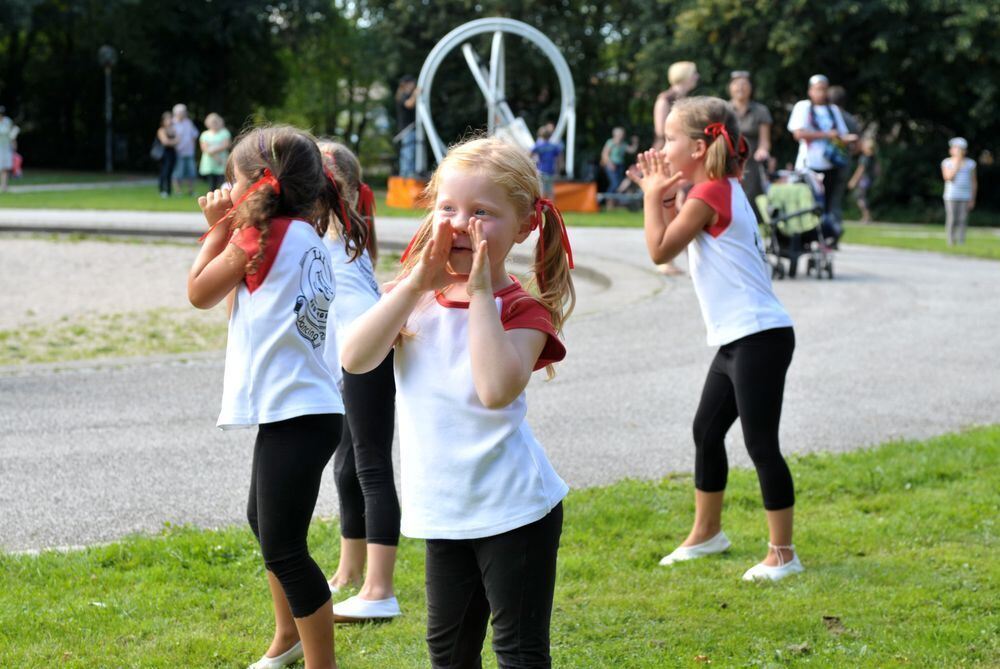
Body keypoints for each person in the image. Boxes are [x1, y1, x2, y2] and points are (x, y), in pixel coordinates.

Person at [340, 137, 575, 668]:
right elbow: (355, 359)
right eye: (448, 208)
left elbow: (494, 389)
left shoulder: (522, 311)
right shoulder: (416, 297)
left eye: (482, 213)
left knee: (518, 652)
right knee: (448, 654)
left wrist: (481, 295)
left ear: (523, 226)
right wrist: (415, 283)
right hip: (444, 511)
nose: (461, 224)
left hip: (516, 511)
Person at [188, 125, 369, 669]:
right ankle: (287, 636)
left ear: (256, 185)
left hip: (298, 412)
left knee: (284, 546)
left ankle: (320, 662)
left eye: (233, 181)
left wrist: (218, 228)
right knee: (265, 524)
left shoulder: (255, 238)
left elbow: (198, 293)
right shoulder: (306, 234)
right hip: (305, 411)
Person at [627, 96, 801, 582]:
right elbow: (675, 238)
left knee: (761, 443)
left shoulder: (709, 196)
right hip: (740, 338)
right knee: (706, 431)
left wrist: (651, 196)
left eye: (671, 139)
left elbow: (660, 249)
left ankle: (783, 554)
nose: (662, 147)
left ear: (701, 146)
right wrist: (663, 194)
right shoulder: (716, 186)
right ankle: (707, 534)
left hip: (759, 336)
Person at [314, 140, 402, 623]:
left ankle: (380, 588)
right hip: (347, 369)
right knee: (346, 470)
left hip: (367, 364)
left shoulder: (339, 242)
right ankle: (350, 572)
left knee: (370, 468)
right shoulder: (338, 237)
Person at [787, 75, 858, 246]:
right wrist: (826, 135)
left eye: (824, 89)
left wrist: (848, 140)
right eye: (818, 89)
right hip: (808, 165)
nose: (821, 93)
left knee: (826, 205)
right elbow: (799, 134)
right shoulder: (803, 107)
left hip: (830, 164)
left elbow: (839, 135)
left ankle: (824, 238)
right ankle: (804, 238)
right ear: (810, 91)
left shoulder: (832, 110)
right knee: (807, 204)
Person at [652, 61, 698, 276]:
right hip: (669, 157)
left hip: (685, 157)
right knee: (670, 205)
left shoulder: (687, 102)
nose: (697, 77)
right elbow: (662, 132)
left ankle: (689, 259)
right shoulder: (665, 99)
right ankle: (667, 259)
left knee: (683, 206)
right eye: (694, 73)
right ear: (686, 75)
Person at [727, 71, 772, 221]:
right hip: (727, 160)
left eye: (744, 84)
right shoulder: (723, 109)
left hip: (750, 162)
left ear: (751, 88)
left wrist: (763, 150)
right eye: (737, 85)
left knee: (750, 198)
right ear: (730, 87)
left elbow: (764, 140)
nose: (740, 88)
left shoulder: (760, 110)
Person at [826, 85, 862, 229]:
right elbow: (859, 146)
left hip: (825, 161)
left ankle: (825, 231)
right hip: (843, 163)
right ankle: (835, 230)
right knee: (836, 198)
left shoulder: (826, 116)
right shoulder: (851, 119)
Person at [941, 137, 977, 246]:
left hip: (965, 196)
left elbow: (974, 182)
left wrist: (972, 198)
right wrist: (957, 163)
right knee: (952, 219)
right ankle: (951, 241)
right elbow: (948, 177)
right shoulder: (947, 162)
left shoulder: (971, 164)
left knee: (962, 219)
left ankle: (961, 242)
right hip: (951, 196)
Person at [601, 127, 639, 201]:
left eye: (622, 134)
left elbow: (632, 150)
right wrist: (610, 163)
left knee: (619, 184)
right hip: (611, 165)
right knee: (615, 183)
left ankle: (613, 201)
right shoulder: (610, 142)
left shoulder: (623, 144)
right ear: (615, 134)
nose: (621, 135)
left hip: (620, 165)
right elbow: (605, 154)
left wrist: (635, 142)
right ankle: (607, 200)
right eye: (620, 134)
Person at [847, 137, 878, 224]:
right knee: (861, 197)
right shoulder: (873, 157)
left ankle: (866, 216)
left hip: (864, 180)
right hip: (869, 179)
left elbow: (860, 170)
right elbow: (878, 169)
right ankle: (867, 216)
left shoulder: (864, 157)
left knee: (860, 197)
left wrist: (853, 180)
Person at [172, 103, 200, 196]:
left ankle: (191, 191)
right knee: (178, 173)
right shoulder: (172, 123)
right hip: (178, 152)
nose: (183, 113)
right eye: (181, 112)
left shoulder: (188, 122)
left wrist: (192, 145)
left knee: (191, 172)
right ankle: (178, 191)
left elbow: (195, 134)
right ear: (176, 113)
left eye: (184, 112)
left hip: (189, 152)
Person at [199, 113, 231, 191]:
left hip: (222, 161)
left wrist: (212, 150)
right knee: (212, 183)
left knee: (223, 182)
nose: (214, 124)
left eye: (215, 122)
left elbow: (226, 144)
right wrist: (216, 157)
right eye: (212, 122)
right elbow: (204, 148)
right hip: (210, 162)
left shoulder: (224, 132)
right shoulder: (204, 134)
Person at [395, 75, 419, 177]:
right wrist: (416, 94)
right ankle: (407, 175)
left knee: (410, 151)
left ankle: (408, 174)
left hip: (410, 128)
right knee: (408, 152)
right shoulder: (402, 96)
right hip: (407, 129)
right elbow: (409, 104)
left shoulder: (405, 95)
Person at [531, 124, 563, 199]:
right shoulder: (554, 146)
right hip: (551, 171)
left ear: (541, 136)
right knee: (550, 192)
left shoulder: (538, 146)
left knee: (541, 191)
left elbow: (529, 154)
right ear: (550, 136)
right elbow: (559, 157)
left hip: (541, 170)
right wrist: (560, 168)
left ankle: (540, 209)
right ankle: (551, 209)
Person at [155, 111, 178, 198]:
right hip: (164, 154)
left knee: (170, 173)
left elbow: (177, 140)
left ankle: (168, 191)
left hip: (172, 153)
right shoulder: (161, 130)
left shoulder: (173, 130)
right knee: (164, 172)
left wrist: (171, 142)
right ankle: (162, 190)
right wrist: (173, 142)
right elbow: (165, 142)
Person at [0, 105, 20, 193]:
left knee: (5, 167)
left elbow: (12, 134)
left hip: (6, 147)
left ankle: (4, 185)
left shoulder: (7, 121)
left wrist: (14, 145)